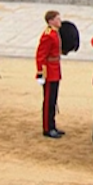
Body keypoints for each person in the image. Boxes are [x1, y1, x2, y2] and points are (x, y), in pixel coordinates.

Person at [35, 10, 64, 138]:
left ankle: (52, 124)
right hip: (49, 72)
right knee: (48, 101)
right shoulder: (48, 35)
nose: (60, 20)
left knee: (53, 100)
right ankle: (47, 128)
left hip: (55, 68)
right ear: (51, 21)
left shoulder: (55, 33)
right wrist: (41, 72)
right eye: (57, 19)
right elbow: (41, 55)